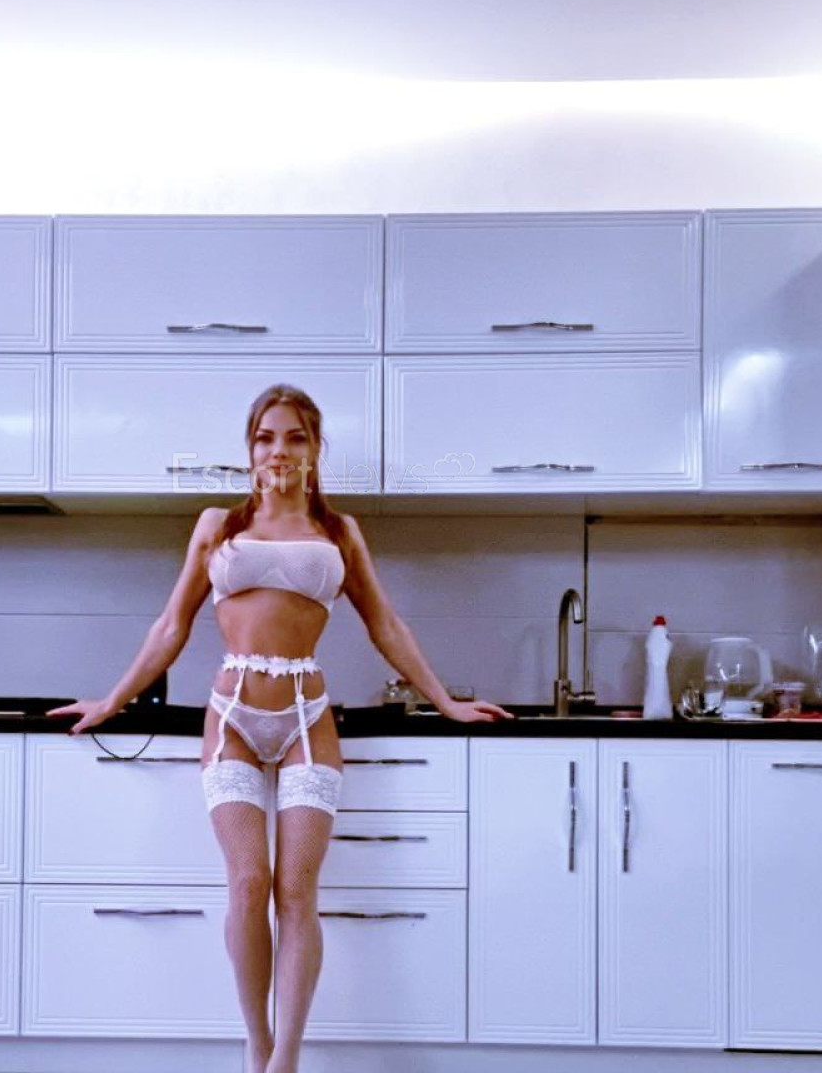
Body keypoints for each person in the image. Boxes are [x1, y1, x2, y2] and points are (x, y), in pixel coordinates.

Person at [47, 383, 514, 1073]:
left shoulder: (339, 532)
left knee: (297, 892)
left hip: (305, 716)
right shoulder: (218, 526)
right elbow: (172, 625)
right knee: (248, 884)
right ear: (250, 450)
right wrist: (112, 701)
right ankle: (256, 1046)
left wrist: (446, 702)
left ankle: (286, 1060)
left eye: (296, 437)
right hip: (233, 715)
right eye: (266, 437)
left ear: (316, 449)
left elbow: (385, 624)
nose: (280, 450)